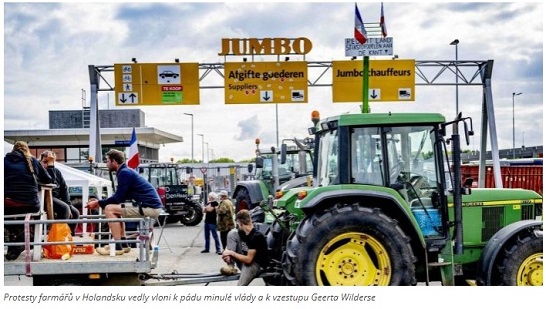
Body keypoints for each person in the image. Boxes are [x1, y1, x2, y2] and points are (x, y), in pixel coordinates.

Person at [85, 149, 163, 255]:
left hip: (151, 208)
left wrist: (98, 203)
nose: (106, 164)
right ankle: (124, 244)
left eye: (107, 161)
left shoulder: (124, 173)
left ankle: (118, 247)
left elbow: (118, 198)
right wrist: (100, 201)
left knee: (109, 209)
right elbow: (120, 198)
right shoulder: (126, 171)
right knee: (115, 208)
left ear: (114, 162)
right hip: (151, 206)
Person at [4, 141, 53, 260]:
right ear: (27, 150)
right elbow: (48, 179)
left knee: (9, 215)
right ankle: (23, 238)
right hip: (30, 204)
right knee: (22, 213)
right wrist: (50, 166)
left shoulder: (4, 161)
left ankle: (17, 240)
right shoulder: (33, 161)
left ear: (13, 150)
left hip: (8, 204)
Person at [220, 209, 268, 286]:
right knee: (232, 233)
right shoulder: (242, 232)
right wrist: (226, 253)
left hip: (254, 265)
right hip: (245, 259)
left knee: (240, 286)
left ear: (240, 223)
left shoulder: (256, 236)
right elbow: (232, 240)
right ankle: (230, 266)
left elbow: (248, 260)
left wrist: (232, 253)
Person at [40, 150, 80, 235]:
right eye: (45, 161)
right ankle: (58, 236)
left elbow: (64, 188)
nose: (47, 164)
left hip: (55, 199)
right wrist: (50, 166)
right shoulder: (40, 170)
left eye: (50, 161)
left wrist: (69, 204)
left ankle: (69, 235)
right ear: (41, 161)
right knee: (64, 209)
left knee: (75, 212)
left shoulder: (57, 172)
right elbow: (50, 181)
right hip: (44, 198)